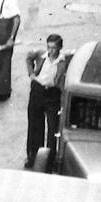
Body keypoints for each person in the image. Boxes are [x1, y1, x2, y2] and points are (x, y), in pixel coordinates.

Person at [24, 34, 67, 169]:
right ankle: (33, 156)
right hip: (38, 91)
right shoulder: (42, 55)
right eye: (49, 47)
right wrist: (31, 74)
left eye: (54, 48)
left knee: (52, 127)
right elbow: (29, 56)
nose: (51, 51)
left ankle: (50, 159)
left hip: (52, 94)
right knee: (35, 124)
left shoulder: (63, 61)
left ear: (60, 47)